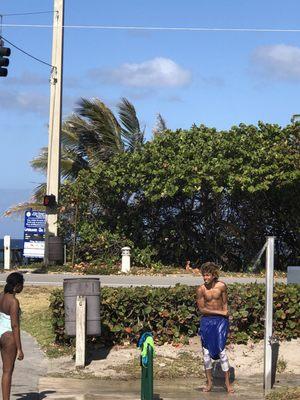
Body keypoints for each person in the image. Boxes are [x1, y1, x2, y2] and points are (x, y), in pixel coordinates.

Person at [196, 262, 234, 393]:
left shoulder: (222, 286)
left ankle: (228, 384)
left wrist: (226, 318)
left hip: (220, 322)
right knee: (206, 354)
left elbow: (225, 303)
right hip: (207, 322)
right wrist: (221, 313)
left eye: (207, 275)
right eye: (204, 275)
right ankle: (209, 383)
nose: (205, 278)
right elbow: (202, 309)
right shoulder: (201, 289)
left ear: (213, 275)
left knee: (221, 352)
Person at [0, 272, 24, 400]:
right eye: (22, 285)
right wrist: (19, 349)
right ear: (17, 286)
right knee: (7, 371)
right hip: (8, 336)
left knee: (5, 371)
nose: (23, 288)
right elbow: (15, 326)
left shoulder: (1, 296)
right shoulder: (14, 301)